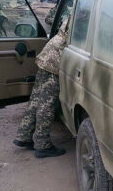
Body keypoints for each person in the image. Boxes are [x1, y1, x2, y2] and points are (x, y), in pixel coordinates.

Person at [14, 17, 71, 159]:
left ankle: (24, 135)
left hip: (49, 54)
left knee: (36, 99)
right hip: (55, 60)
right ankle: (42, 144)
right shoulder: (86, 11)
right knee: (46, 104)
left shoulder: (79, 6)